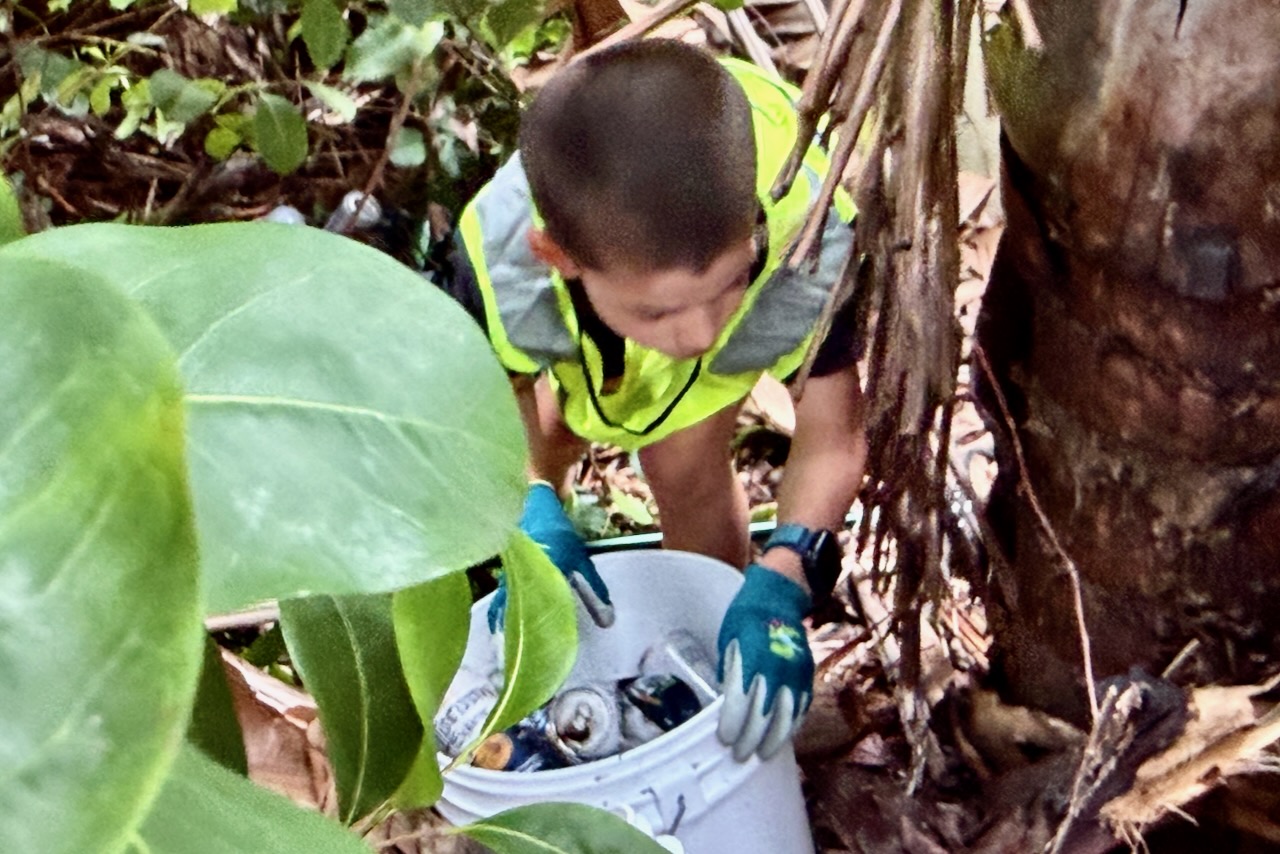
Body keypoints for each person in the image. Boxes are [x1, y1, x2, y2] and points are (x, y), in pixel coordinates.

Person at [438, 38, 869, 763]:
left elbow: (833, 434)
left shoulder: (807, 223)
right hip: (575, 346)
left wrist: (788, 572)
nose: (700, 331)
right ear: (559, 258)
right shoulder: (502, 262)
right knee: (536, 449)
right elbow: (481, 411)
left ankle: (704, 667)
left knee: (687, 467)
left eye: (725, 282)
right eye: (662, 313)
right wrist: (523, 508)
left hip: (733, 325)